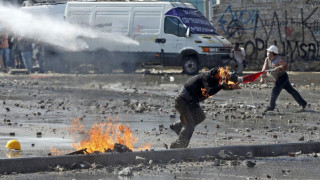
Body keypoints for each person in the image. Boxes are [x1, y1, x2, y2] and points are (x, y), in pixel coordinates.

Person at [170, 67, 239, 149]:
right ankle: (179, 145)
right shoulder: (206, 77)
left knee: (200, 117)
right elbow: (210, 91)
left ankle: (178, 126)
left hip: (192, 103)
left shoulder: (216, 80)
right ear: (217, 73)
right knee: (189, 125)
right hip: (183, 101)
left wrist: (232, 85)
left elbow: (223, 87)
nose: (222, 78)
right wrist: (222, 85)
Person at [260, 45, 307, 112]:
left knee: (275, 90)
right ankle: (303, 103)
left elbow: (285, 65)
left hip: (282, 77)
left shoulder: (278, 59)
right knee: (291, 91)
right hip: (278, 78)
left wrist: (280, 67)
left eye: (269, 51)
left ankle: (271, 106)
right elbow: (264, 69)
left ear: (272, 53)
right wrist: (262, 78)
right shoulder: (267, 59)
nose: (267, 52)